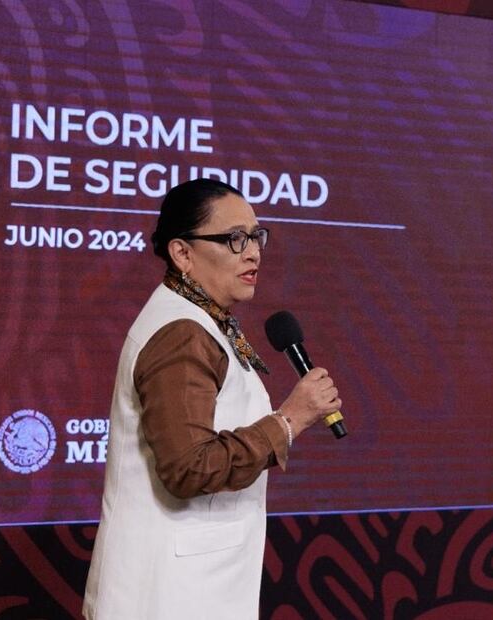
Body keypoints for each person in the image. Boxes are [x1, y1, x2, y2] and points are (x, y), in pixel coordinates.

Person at [82, 179, 341, 619]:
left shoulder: (201, 320)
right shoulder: (181, 333)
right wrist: (289, 420)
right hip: (166, 594)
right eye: (235, 238)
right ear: (182, 253)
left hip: (194, 587)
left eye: (256, 236)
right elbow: (189, 466)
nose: (253, 252)